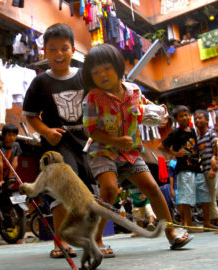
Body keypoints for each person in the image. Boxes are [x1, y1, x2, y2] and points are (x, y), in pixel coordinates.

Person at [82, 44, 193, 253]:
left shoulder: (133, 90)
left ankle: (171, 234)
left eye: (106, 68)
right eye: (95, 72)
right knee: (109, 189)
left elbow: (146, 109)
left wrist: (162, 114)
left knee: (152, 188)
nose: (102, 75)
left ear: (117, 67)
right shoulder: (92, 99)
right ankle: (95, 239)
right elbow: (91, 131)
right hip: (102, 152)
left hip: (131, 152)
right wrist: (115, 141)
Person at [23, 23, 92, 259]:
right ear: (45, 51)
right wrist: (45, 131)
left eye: (64, 48)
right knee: (63, 189)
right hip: (57, 144)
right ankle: (60, 241)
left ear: (73, 50)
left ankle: (88, 239)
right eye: (53, 49)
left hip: (86, 143)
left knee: (87, 192)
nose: (59, 54)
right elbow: (30, 115)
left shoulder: (85, 77)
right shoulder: (40, 82)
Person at [160, 105, 211, 231]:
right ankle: (188, 224)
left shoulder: (193, 131)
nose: (184, 118)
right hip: (184, 168)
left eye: (186, 115)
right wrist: (175, 154)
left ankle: (207, 222)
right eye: (181, 116)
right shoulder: (175, 132)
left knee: (204, 194)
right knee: (186, 197)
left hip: (197, 167)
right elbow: (161, 146)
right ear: (176, 119)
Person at [195, 109, 218, 227]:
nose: (197, 120)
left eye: (200, 118)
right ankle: (216, 218)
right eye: (195, 118)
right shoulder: (198, 138)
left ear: (207, 120)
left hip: (214, 168)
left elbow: (216, 149)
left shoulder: (210, 133)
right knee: (211, 195)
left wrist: (213, 167)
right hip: (205, 169)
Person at [0, 124, 22, 201]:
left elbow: (15, 163)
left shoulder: (16, 145)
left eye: (14, 135)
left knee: (12, 196)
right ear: (3, 135)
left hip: (6, 178)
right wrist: (0, 180)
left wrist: (10, 178)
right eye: (9, 135)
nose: (12, 137)